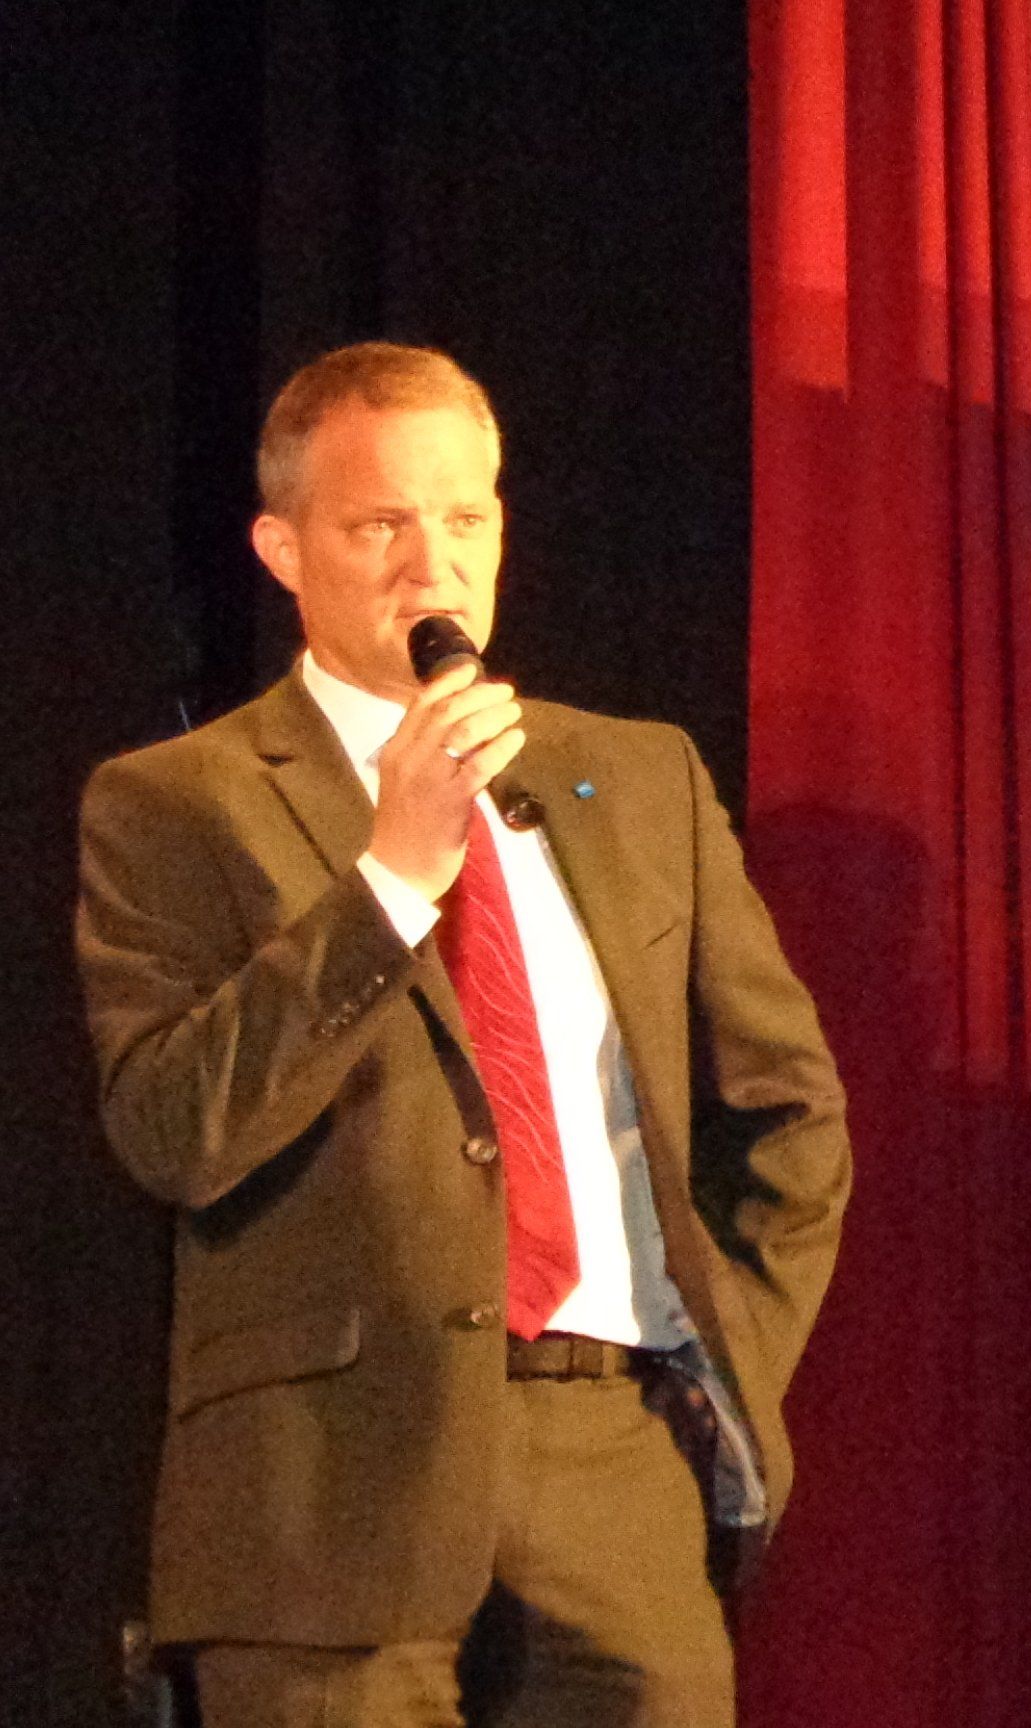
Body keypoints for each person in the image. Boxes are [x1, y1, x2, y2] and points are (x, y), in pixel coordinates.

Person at [75, 342, 851, 1726]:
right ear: (282, 549)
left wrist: (719, 1358)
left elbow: (790, 1112)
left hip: (613, 1458)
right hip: (325, 1493)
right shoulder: (177, 800)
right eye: (380, 524)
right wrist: (391, 877)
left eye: (466, 518)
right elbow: (172, 1127)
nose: (432, 566)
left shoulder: (639, 776)